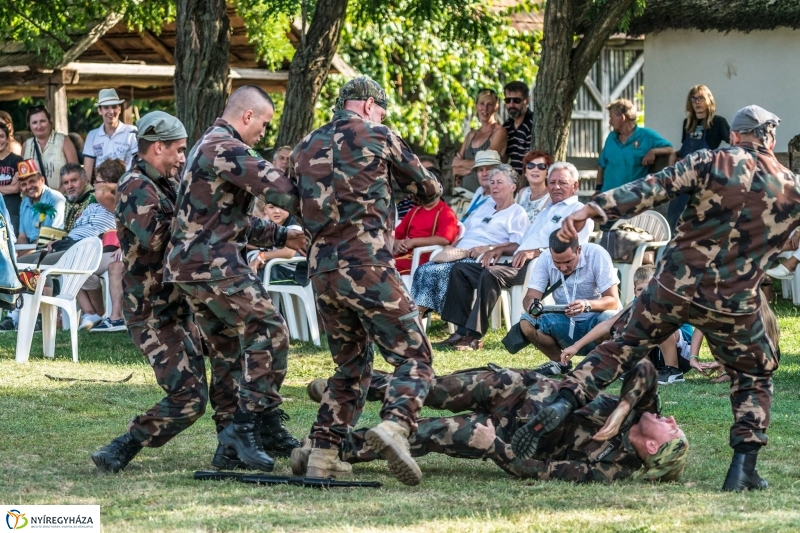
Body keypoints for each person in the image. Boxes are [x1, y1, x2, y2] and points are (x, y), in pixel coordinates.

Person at [513, 105, 798, 493]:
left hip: (671, 287)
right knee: (753, 375)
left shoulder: (709, 160)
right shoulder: (792, 188)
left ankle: (564, 401)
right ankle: (743, 467)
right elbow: (789, 250)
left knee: (621, 346)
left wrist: (591, 210)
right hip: (734, 301)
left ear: (734, 136)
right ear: (771, 140)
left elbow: (650, 188)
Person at [290, 76, 442, 485]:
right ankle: (395, 426)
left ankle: (322, 453)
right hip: (368, 263)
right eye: (383, 109)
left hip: (322, 268)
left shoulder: (304, 146)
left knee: (350, 365)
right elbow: (428, 190)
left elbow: (291, 201)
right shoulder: (378, 134)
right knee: (413, 356)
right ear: (371, 105)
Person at [164, 86, 303, 472]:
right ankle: (246, 426)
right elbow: (282, 190)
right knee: (270, 330)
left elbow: (228, 218)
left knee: (226, 350)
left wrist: (281, 234)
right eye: (263, 123)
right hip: (213, 265)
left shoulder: (208, 145)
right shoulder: (225, 146)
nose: (263, 132)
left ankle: (230, 445)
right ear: (246, 116)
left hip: (194, 265)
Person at [298, 359, 688, 484]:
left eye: (671, 428)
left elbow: (542, 470)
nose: (669, 418)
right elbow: (643, 367)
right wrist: (622, 410)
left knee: (432, 432)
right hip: (517, 388)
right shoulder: (640, 407)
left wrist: (494, 448)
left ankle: (330, 448)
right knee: (435, 388)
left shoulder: (610, 468)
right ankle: (353, 388)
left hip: (506, 434)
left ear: (652, 447)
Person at [91, 111, 209, 473]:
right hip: (152, 313)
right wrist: (200, 213)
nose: (181, 158)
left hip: (178, 306)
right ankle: (124, 445)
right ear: (157, 147)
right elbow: (156, 237)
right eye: (178, 150)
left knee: (225, 363)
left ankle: (239, 439)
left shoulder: (165, 183)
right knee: (190, 396)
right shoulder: (134, 186)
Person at [439, 162, 594, 350]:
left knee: (491, 274)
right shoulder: (547, 209)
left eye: (562, 182)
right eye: (552, 182)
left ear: (575, 186)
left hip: (540, 267)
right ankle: (460, 330)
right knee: (460, 269)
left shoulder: (579, 212)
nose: (556, 187)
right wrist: (499, 249)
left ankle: (473, 336)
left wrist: (536, 252)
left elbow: (575, 250)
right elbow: (522, 242)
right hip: (516, 262)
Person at [411, 164, 528, 320]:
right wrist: (452, 246)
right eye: (492, 182)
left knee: (438, 271)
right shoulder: (485, 206)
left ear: (513, 186)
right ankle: (418, 313)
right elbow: (466, 231)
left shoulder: (517, 213)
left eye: (499, 182)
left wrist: (490, 247)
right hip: (460, 252)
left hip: (479, 258)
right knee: (423, 269)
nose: (494, 186)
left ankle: (416, 314)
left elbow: (516, 245)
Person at [561, 265, 704, 386]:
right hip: (656, 355)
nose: (646, 293)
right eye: (641, 289)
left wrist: (696, 356)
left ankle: (673, 371)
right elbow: (607, 325)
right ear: (635, 291)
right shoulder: (636, 304)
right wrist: (576, 346)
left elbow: (704, 322)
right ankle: (644, 371)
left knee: (657, 321)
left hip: (682, 354)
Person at [17, 163, 116, 330]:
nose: (69, 186)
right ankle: (23, 314)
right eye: (66, 182)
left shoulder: (107, 200)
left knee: (32, 264)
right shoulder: (85, 205)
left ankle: (42, 317)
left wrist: (104, 185)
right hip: (67, 246)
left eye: (74, 181)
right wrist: (58, 241)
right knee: (23, 262)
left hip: (86, 249)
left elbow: (103, 194)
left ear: (86, 180)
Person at [667, 85, 731, 230]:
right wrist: (673, 155)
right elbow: (685, 149)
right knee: (674, 219)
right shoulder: (687, 123)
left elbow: (734, 143)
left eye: (700, 98)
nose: (697, 102)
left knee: (700, 221)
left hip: (704, 179)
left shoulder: (718, 122)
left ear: (709, 100)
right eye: (693, 98)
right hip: (683, 178)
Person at [85, 159, 128, 332]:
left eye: (97, 180)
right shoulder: (96, 202)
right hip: (103, 249)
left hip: (120, 250)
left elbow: (102, 193)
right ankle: (96, 314)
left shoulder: (118, 199)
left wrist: (106, 186)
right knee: (81, 269)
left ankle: (115, 318)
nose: (94, 184)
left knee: (115, 267)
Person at [596, 99, 672, 193]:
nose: (610, 122)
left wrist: (653, 151)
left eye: (612, 118)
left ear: (622, 117)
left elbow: (670, 149)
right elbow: (602, 165)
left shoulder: (646, 136)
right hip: (606, 195)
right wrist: (597, 190)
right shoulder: (611, 137)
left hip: (631, 197)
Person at [393, 183, 459, 276]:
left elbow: (445, 239)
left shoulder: (445, 212)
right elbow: (394, 235)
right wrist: (396, 243)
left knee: (385, 267)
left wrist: (413, 242)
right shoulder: (414, 210)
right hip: (404, 255)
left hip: (423, 260)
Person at [452, 89, 508, 191]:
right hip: (464, 197)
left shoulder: (499, 132)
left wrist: (462, 164)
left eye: (489, 104)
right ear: (476, 106)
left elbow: (486, 164)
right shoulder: (471, 135)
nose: (485, 108)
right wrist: (475, 167)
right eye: (482, 103)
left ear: (496, 107)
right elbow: (455, 166)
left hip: (488, 197)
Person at [82, 89, 139, 179]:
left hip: (126, 185)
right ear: (99, 110)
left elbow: (138, 163)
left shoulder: (131, 132)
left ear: (119, 109)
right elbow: (87, 169)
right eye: (106, 107)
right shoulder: (92, 136)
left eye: (114, 107)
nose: (111, 111)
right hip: (101, 186)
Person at [22, 105, 78, 190]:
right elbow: (23, 177)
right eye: (34, 122)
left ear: (50, 121)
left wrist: (56, 196)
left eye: (42, 121)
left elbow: (75, 173)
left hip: (61, 198)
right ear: (29, 125)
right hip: (33, 200)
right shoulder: (26, 145)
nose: (39, 126)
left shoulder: (64, 141)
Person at [11, 159, 66, 247]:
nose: (28, 187)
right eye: (23, 184)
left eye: (32, 181)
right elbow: (22, 236)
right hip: (30, 250)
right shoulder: (24, 203)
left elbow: (47, 239)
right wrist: (17, 254)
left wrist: (20, 257)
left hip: (49, 250)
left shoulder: (55, 199)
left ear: (42, 180)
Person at [248, 203, 304, 284]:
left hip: (290, 273)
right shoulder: (273, 223)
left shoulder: (294, 225)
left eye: (282, 207)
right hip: (276, 267)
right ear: (265, 209)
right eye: (271, 207)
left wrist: (261, 257)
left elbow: (288, 253)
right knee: (242, 273)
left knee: (246, 279)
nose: (276, 211)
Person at [502, 81, 534, 177]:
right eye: (508, 100)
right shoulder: (507, 126)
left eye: (516, 100)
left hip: (528, 180)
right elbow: (503, 158)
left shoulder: (532, 124)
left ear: (526, 101)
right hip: (512, 179)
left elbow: (529, 162)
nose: (511, 105)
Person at [460, 149, 501, 223]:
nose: (484, 174)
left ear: (498, 172)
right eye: (480, 170)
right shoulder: (480, 190)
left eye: (488, 169)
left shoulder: (500, 197)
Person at [515, 150, 552, 224]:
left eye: (541, 166)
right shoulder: (522, 192)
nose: (535, 170)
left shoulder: (551, 197)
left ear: (547, 173)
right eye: (530, 166)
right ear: (525, 172)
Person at [0, 122, 23, 231]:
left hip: (12, 211)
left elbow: (16, 188)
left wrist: (12, 188)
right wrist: (8, 188)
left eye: (1, 136)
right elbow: (11, 188)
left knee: (12, 244)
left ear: (8, 138)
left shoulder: (17, 160)